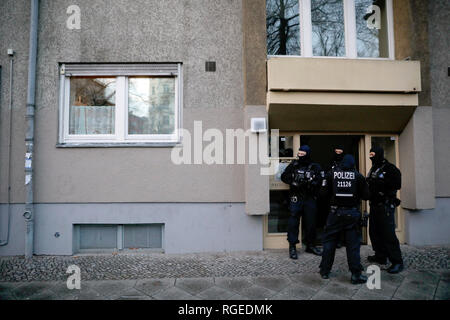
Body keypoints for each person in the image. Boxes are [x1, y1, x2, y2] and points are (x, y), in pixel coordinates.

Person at [319, 154, 370, 284]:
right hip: (352, 214)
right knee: (353, 246)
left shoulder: (331, 174)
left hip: (335, 213)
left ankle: (325, 271)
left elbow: (323, 194)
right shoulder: (358, 176)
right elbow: (366, 196)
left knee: (329, 242)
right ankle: (355, 275)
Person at [366, 145, 404, 274]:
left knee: (388, 235)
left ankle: (397, 261)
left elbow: (397, 184)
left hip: (385, 206)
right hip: (375, 206)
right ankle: (380, 255)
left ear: (379, 154)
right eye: (370, 155)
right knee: (374, 232)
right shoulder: (373, 169)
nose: (371, 157)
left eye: (373, 155)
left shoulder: (390, 168)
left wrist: (381, 184)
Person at [281, 145, 323, 259]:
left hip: (309, 197)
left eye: (303, 154)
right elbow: (284, 177)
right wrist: (294, 181)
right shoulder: (294, 165)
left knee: (311, 222)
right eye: (299, 154)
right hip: (296, 196)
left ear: (307, 154)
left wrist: (311, 183)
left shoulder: (315, 166)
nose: (300, 156)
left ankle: (311, 245)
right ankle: (292, 246)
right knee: (293, 222)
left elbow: (320, 181)